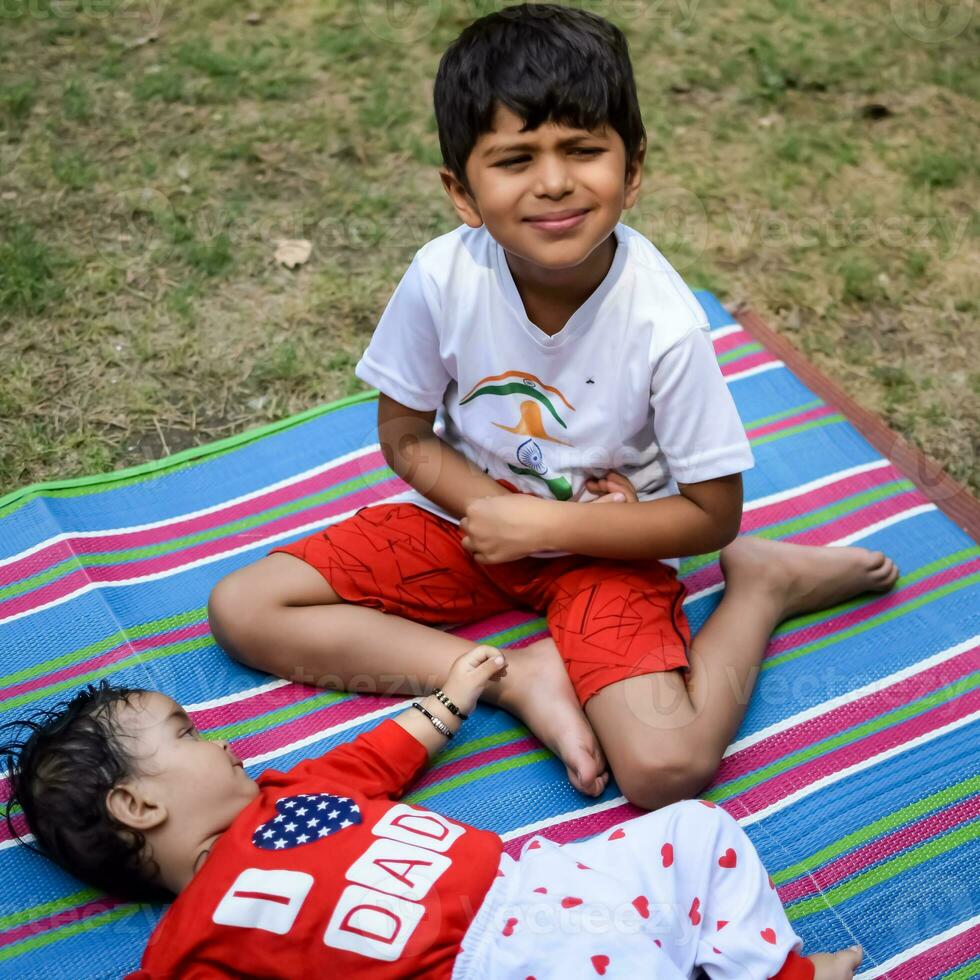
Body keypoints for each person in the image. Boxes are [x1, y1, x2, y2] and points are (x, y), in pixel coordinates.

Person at [206, 4, 899, 809]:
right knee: (244, 607)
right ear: (462, 191)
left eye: (582, 150)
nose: (555, 181)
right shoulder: (440, 277)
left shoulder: (664, 325)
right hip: (469, 528)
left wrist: (555, 529)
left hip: (612, 549)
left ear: (632, 169)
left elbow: (713, 516)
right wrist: (496, 513)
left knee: (664, 770)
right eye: (514, 159)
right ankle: (511, 677)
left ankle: (762, 587)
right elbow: (403, 432)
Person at [1, 648, 865, 979]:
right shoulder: (190, 939)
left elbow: (385, 755)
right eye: (188, 734)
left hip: (540, 877)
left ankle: (775, 971)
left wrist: (455, 692)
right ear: (138, 803)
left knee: (695, 829)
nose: (221, 741)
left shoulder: (293, 793)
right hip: (486, 962)